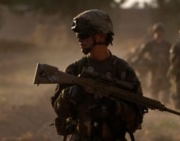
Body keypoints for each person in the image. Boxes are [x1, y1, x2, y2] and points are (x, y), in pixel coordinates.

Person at [50, 9, 146, 141]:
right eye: (78, 36)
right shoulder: (75, 69)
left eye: (84, 36)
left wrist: (115, 108)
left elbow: (136, 118)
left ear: (101, 36)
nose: (79, 40)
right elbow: (59, 110)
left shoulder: (123, 71)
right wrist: (71, 93)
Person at [134, 22, 171, 104]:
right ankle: (154, 109)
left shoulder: (167, 45)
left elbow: (173, 56)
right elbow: (140, 53)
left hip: (164, 71)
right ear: (154, 33)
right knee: (154, 90)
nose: (159, 33)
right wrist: (138, 61)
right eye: (157, 31)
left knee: (165, 89)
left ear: (163, 33)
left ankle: (165, 106)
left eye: (161, 31)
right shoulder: (150, 44)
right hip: (153, 70)